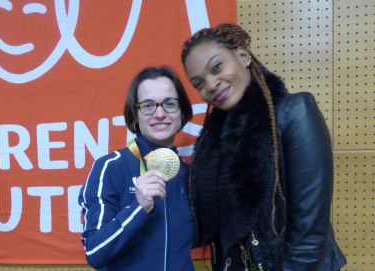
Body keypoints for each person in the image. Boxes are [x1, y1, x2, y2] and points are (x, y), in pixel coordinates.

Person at [181, 23, 347, 270]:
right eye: (199, 83)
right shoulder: (214, 144)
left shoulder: (295, 113)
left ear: (242, 55)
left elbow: (308, 238)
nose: (211, 84)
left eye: (217, 67)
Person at [78, 66, 195, 270]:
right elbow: (95, 253)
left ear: (182, 112)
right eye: (148, 105)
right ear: (134, 115)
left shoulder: (191, 174)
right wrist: (138, 207)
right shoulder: (110, 168)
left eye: (170, 104)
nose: (160, 113)